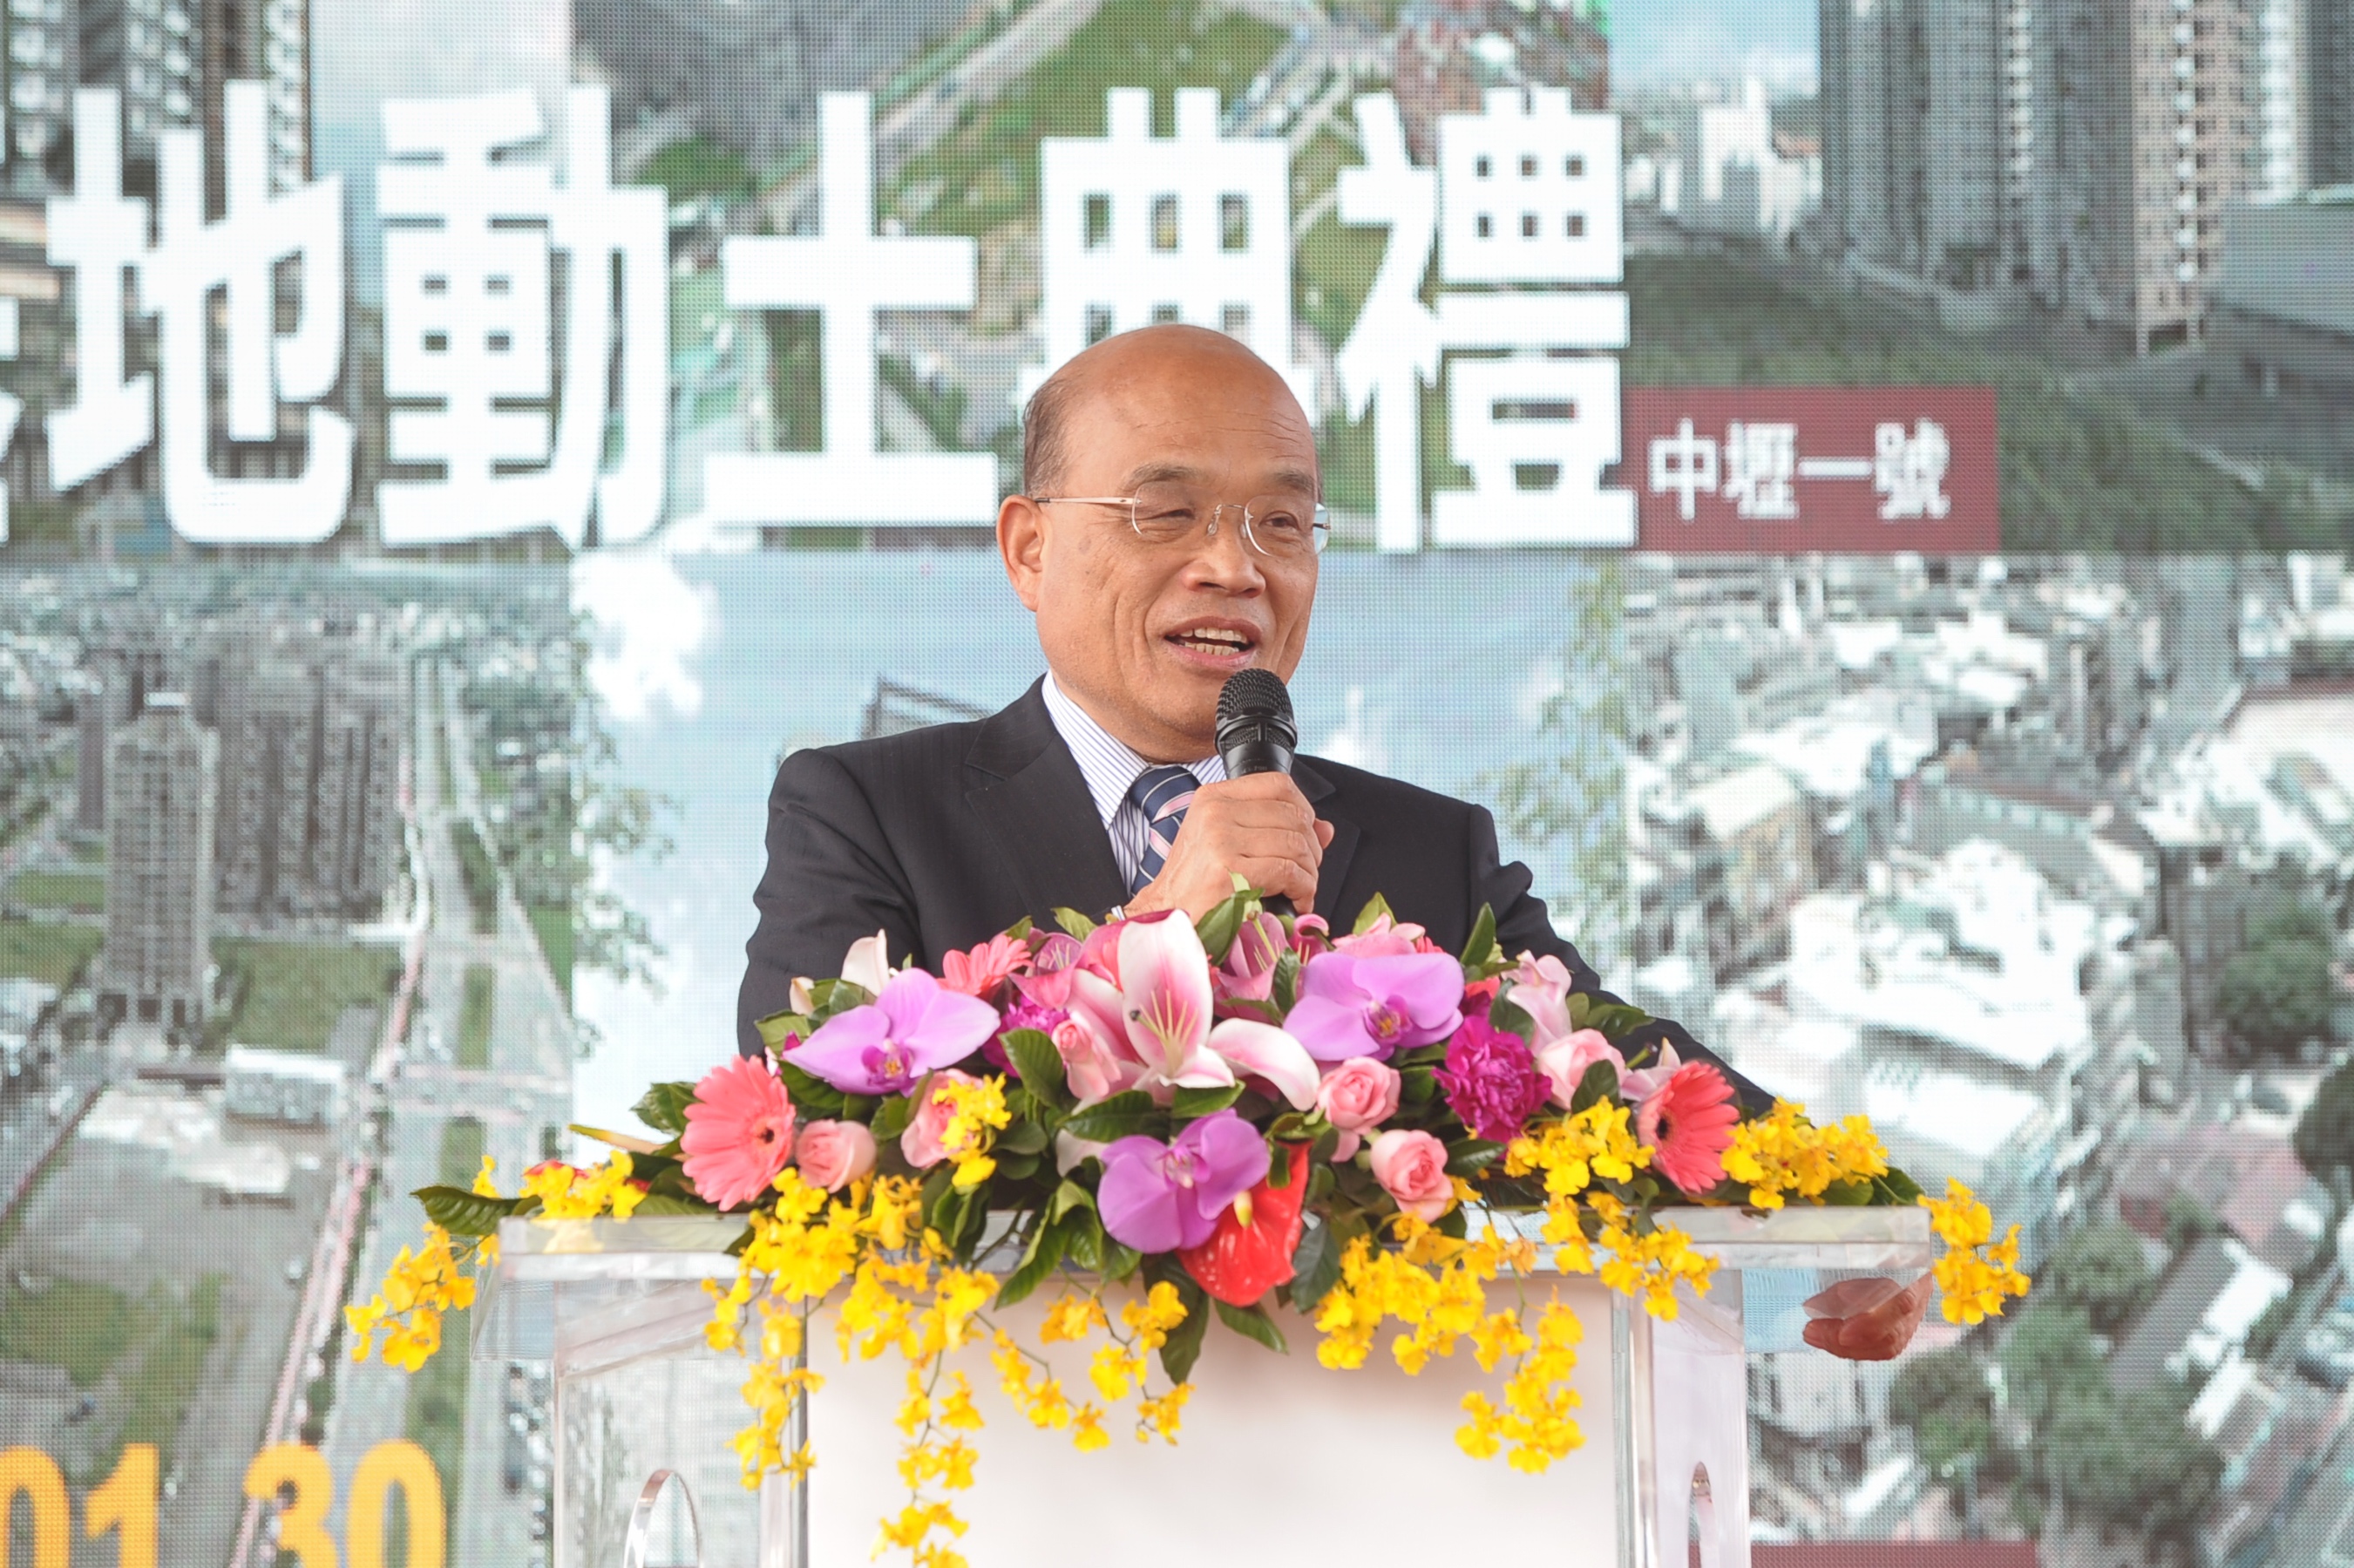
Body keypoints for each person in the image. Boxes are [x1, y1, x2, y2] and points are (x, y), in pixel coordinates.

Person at [736, 323, 1927, 1360]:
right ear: (1028, 549)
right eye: (1167, 513)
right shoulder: (865, 811)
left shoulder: (1428, 850)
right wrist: (1156, 934)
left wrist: (1855, 1214)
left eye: (1281, 522)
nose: (1233, 566)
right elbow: (800, 1131)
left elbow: (1621, 1069)